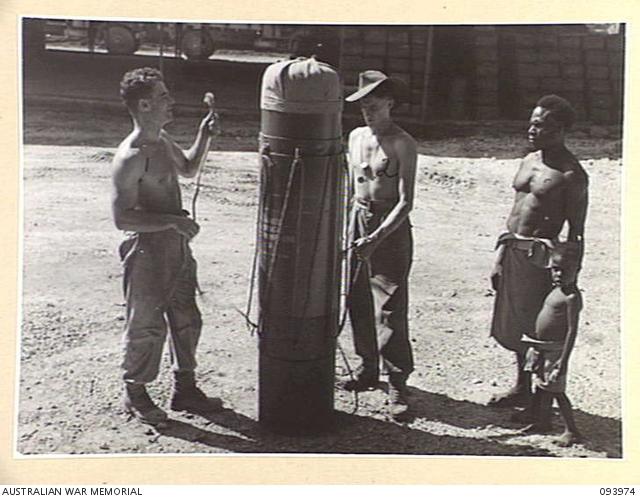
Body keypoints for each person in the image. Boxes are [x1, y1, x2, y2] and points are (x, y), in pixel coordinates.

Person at [111, 67, 221, 426]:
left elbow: (188, 168)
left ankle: (184, 389)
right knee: (145, 325)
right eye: (162, 96)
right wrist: (173, 222)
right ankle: (136, 394)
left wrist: (204, 137)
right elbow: (123, 218)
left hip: (175, 247)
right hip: (146, 251)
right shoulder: (131, 155)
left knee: (187, 318)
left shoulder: (162, 140)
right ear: (144, 104)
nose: (170, 101)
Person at [489, 94, 589, 408]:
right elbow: (516, 210)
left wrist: (569, 278)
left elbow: (576, 231)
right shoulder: (528, 160)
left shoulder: (572, 175)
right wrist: (499, 256)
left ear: (560, 130)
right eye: (532, 123)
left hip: (540, 255)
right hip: (512, 248)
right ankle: (521, 387)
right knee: (514, 323)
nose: (533, 130)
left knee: (538, 327)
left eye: (542, 125)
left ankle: (541, 400)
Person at [342, 70, 417, 420]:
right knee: (357, 295)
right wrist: (349, 231)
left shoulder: (403, 143)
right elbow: (351, 188)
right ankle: (368, 365)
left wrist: (376, 237)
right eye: (363, 107)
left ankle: (397, 383)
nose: (367, 113)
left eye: (373, 106)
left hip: (390, 227)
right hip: (359, 218)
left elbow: (405, 202)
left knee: (389, 304)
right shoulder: (356, 137)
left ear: (390, 103)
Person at [517, 244, 583, 447]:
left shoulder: (571, 297)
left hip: (556, 351)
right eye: (555, 268)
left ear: (577, 270)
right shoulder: (556, 290)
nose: (558, 274)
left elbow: (572, 331)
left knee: (556, 390)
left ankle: (571, 430)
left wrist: (562, 363)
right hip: (541, 346)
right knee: (542, 386)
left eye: (565, 270)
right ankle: (542, 421)